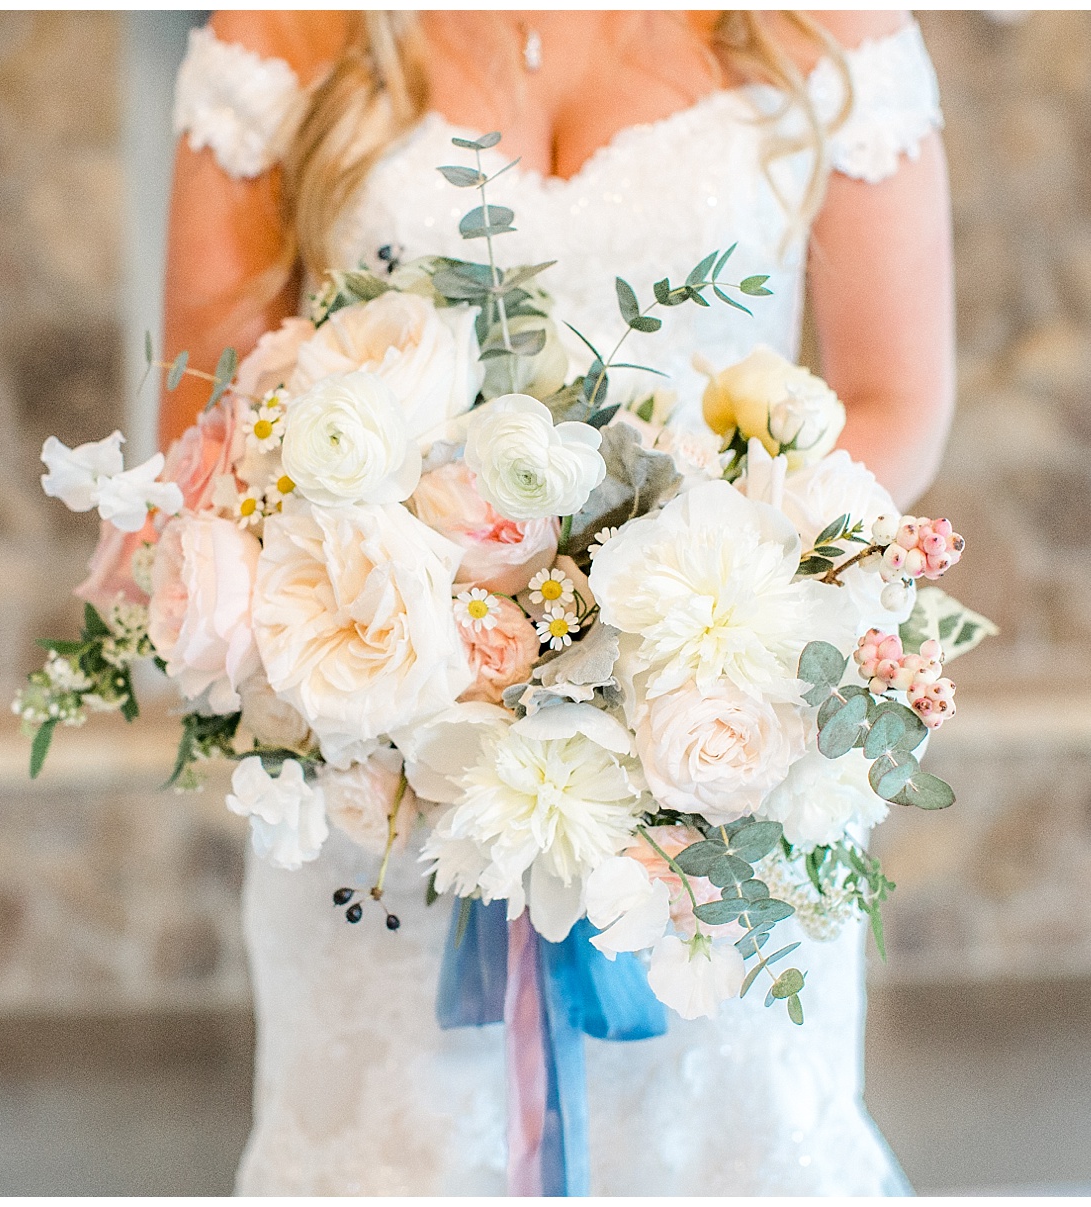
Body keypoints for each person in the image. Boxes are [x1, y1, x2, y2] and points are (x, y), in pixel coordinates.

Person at [160, 10, 954, 1194]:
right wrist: (452, 632)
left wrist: (688, 630)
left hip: (718, 771)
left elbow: (895, 398)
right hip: (386, 760)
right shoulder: (289, 28)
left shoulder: (822, 24)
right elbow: (207, 419)